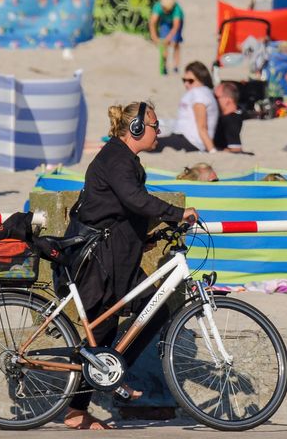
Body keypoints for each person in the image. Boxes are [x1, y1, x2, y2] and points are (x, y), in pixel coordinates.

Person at [63, 101, 198, 430]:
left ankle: (113, 372)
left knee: (152, 311)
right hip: (98, 259)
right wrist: (176, 213)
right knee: (99, 333)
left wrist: (147, 236)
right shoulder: (116, 159)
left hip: (116, 256)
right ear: (136, 129)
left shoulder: (124, 159)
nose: (158, 132)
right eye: (154, 125)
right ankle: (77, 409)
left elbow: (122, 208)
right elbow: (134, 199)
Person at [150, 62, 220, 153]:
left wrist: (212, 150)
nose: (186, 84)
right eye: (184, 80)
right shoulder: (202, 93)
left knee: (148, 144)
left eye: (190, 81)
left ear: (202, 79)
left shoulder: (199, 94)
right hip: (184, 139)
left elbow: (202, 127)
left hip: (191, 142)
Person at [149, 0, 184, 75]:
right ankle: (164, 66)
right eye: (164, 9)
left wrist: (169, 38)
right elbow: (152, 23)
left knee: (175, 43)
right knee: (164, 44)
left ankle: (176, 66)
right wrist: (153, 36)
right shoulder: (158, 7)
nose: (166, 11)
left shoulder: (177, 10)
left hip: (176, 22)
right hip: (165, 22)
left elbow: (175, 27)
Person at [214, 81, 247, 153]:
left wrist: (214, 149)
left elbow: (236, 149)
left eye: (216, 97)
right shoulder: (234, 116)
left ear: (228, 100)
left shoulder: (231, 120)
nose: (213, 100)